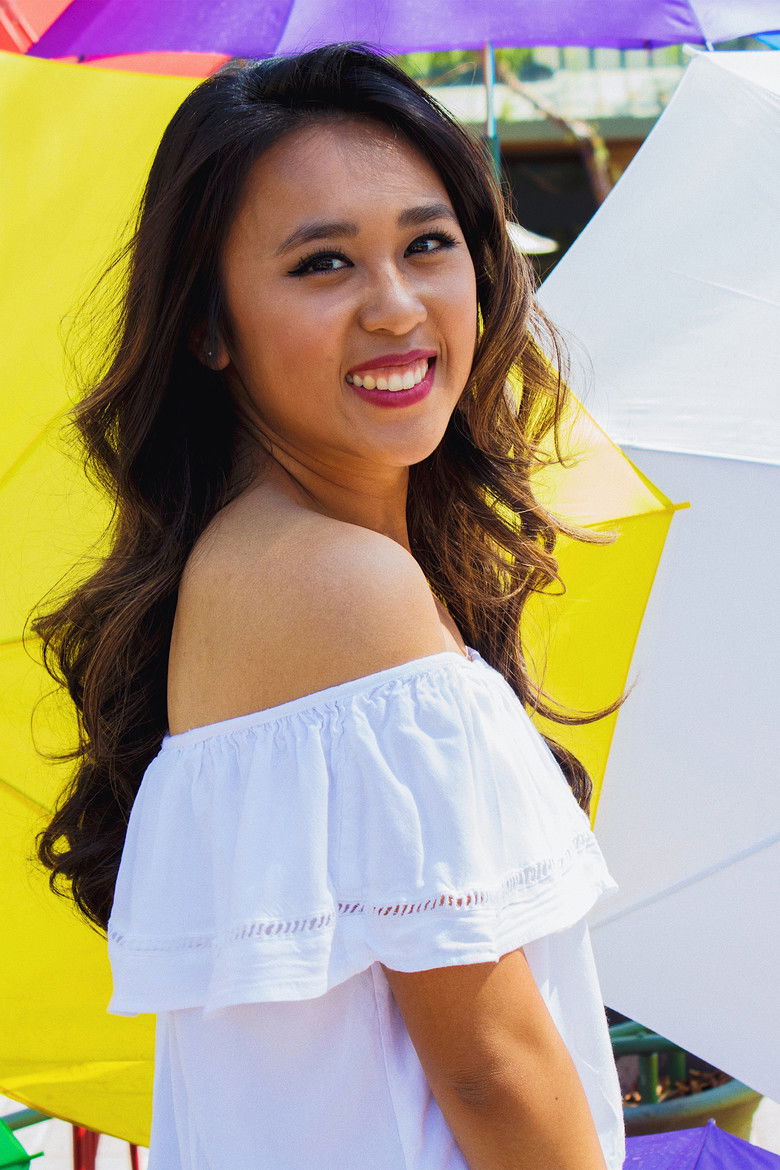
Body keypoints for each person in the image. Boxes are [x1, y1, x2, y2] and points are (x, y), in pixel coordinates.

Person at [32, 43, 629, 1170]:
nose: (397, 307)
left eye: (427, 244)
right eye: (323, 264)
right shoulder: (335, 586)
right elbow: (491, 1067)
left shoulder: (275, 563)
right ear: (209, 327)